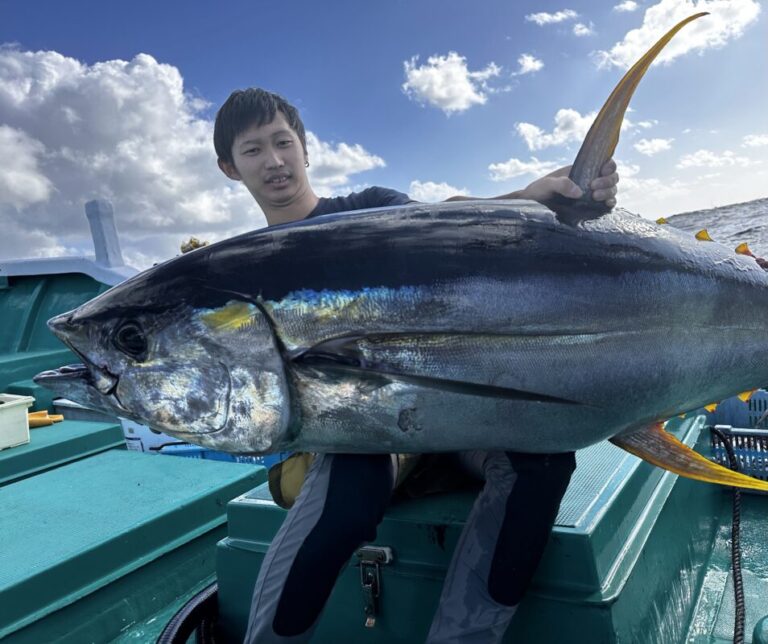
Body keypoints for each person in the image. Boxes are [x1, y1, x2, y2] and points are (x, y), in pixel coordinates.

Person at [214, 88, 619, 644]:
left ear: (305, 149)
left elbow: (447, 225)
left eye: (283, 142)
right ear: (230, 168)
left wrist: (531, 198)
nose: (275, 161)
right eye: (254, 150)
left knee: (542, 460)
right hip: (362, 430)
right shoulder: (244, 270)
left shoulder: (369, 210)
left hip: (451, 413)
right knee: (353, 487)